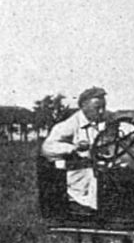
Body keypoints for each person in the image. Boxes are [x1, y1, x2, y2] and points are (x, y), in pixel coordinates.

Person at [42, 87, 107, 215]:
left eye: (103, 107)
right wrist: (73, 148)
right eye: (97, 108)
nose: (101, 111)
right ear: (84, 106)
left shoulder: (100, 122)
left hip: (96, 174)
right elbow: (47, 147)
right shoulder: (70, 125)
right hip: (79, 181)